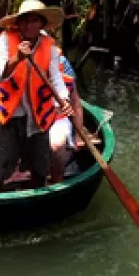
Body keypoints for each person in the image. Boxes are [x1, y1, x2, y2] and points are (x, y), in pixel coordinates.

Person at [0, 0, 72, 192]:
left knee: (40, 168)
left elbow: (55, 78)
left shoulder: (49, 46)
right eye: (25, 20)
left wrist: (63, 100)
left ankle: (36, 199)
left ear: (41, 24)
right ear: (18, 23)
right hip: (10, 115)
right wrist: (17, 58)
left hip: (38, 116)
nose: (29, 25)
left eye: (34, 20)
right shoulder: (6, 40)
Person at [48, 53, 83, 183]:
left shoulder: (61, 63)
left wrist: (78, 136)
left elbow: (76, 105)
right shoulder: (24, 63)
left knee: (57, 145)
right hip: (31, 116)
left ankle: (56, 182)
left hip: (57, 117)